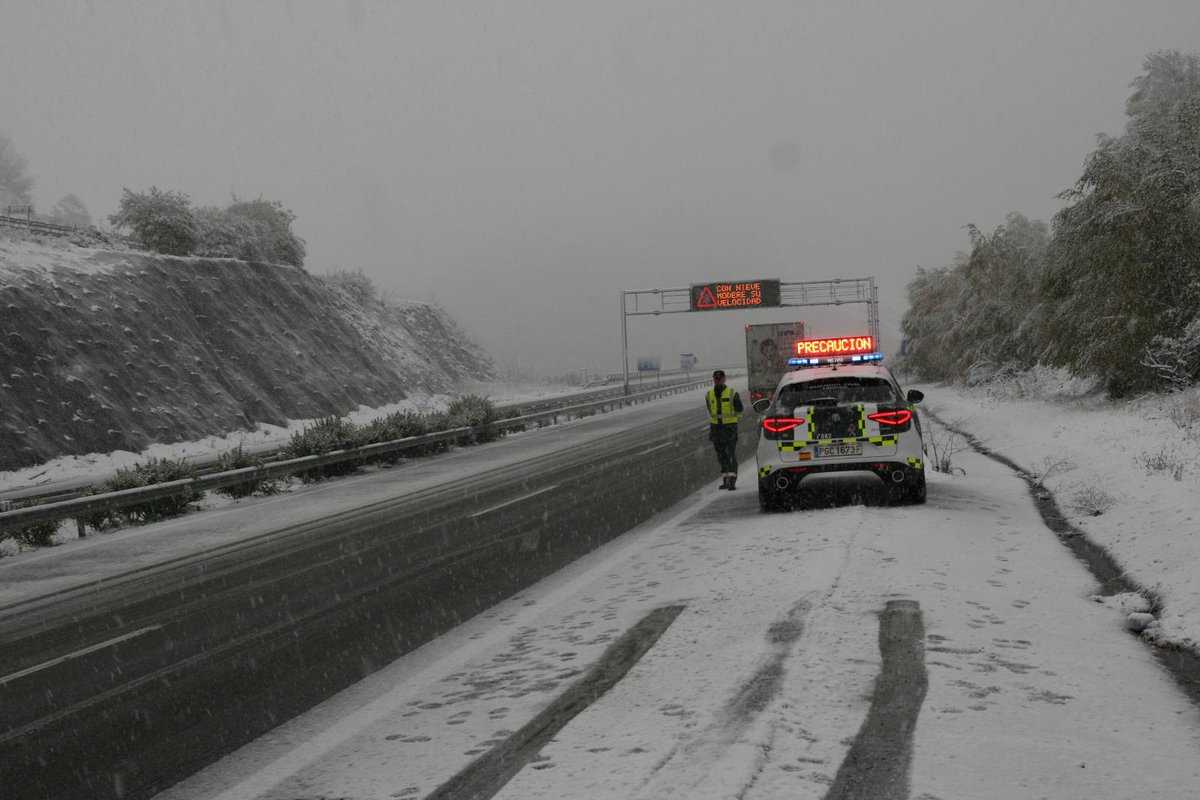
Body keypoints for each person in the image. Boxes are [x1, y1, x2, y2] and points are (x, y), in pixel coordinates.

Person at [705, 369, 743, 490]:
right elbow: (710, 410)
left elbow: (739, 410)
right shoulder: (709, 394)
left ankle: (732, 481)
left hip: (729, 429)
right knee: (721, 456)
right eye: (716, 379)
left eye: (720, 379)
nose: (717, 381)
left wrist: (732, 423)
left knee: (730, 455)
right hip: (716, 429)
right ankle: (726, 480)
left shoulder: (732, 393)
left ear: (724, 379)